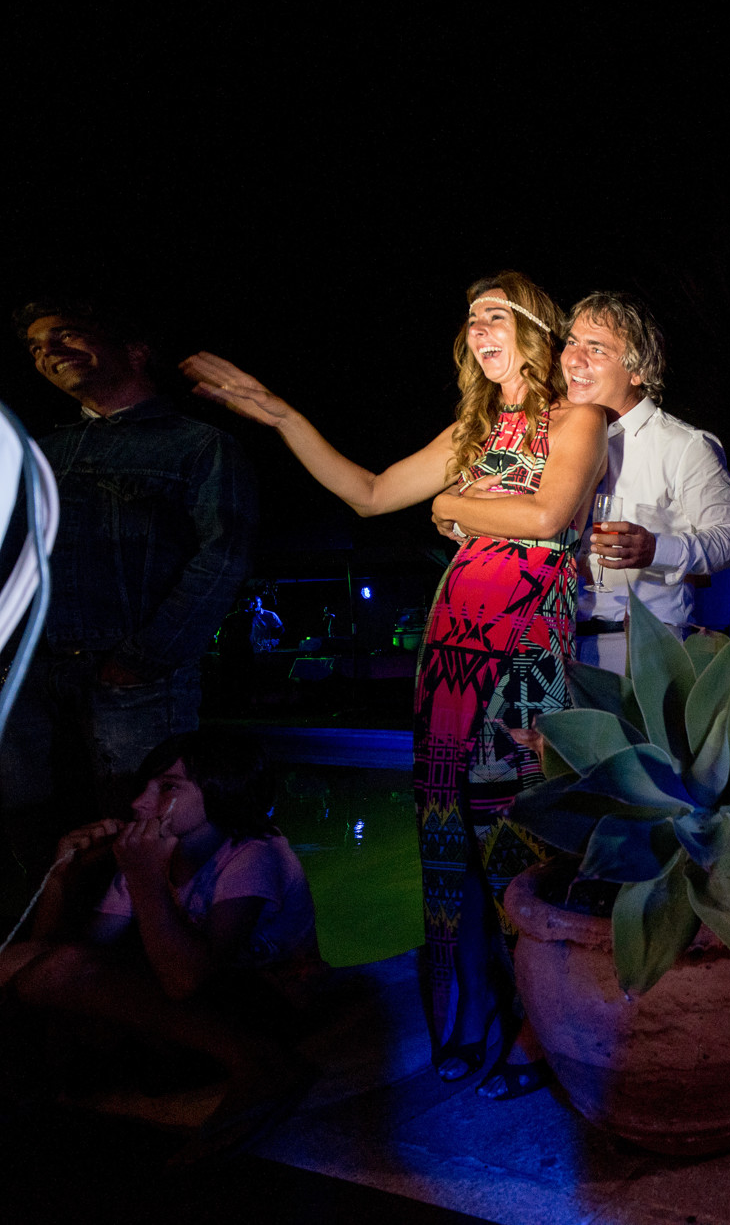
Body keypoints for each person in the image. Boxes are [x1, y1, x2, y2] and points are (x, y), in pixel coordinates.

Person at [180, 272, 606, 1087]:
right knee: (447, 840)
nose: (479, 331)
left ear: (534, 329)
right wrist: (280, 414)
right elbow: (368, 493)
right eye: (471, 319)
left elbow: (548, 518)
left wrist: (454, 506)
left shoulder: (575, 419)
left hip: (524, 653)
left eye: (496, 317)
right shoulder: (471, 431)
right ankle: (468, 1019)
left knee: (519, 839)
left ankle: (543, 1034)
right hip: (449, 651)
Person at [3, 298, 256, 871]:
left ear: (135, 349)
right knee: (33, 828)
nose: (49, 352)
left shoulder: (199, 445)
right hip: (31, 676)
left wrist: (145, 659)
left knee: (143, 830)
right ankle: (55, 941)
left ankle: (152, 949)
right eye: (38, 346)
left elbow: (223, 557)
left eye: (66, 334)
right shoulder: (41, 453)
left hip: (136, 680)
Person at [0, 731, 320, 1161]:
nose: (138, 803)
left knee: (62, 975)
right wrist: (62, 880)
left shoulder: (255, 854)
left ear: (221, 791)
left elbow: (188, 980)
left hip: (266, 1006)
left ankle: (260, 1063)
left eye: (168, 787)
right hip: (182, 1012)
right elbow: (62, 960)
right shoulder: (157, 854)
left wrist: (145, 878)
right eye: (147, 786)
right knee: (16, 964)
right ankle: (42, 1090)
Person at [556, 291, 730, 672]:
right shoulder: (557, 437)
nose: (573, 359)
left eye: (596, 349)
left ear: (638, 371)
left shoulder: (684, 446)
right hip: (557, 645)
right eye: (572, 342)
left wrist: (656, 549)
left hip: (640, 652)